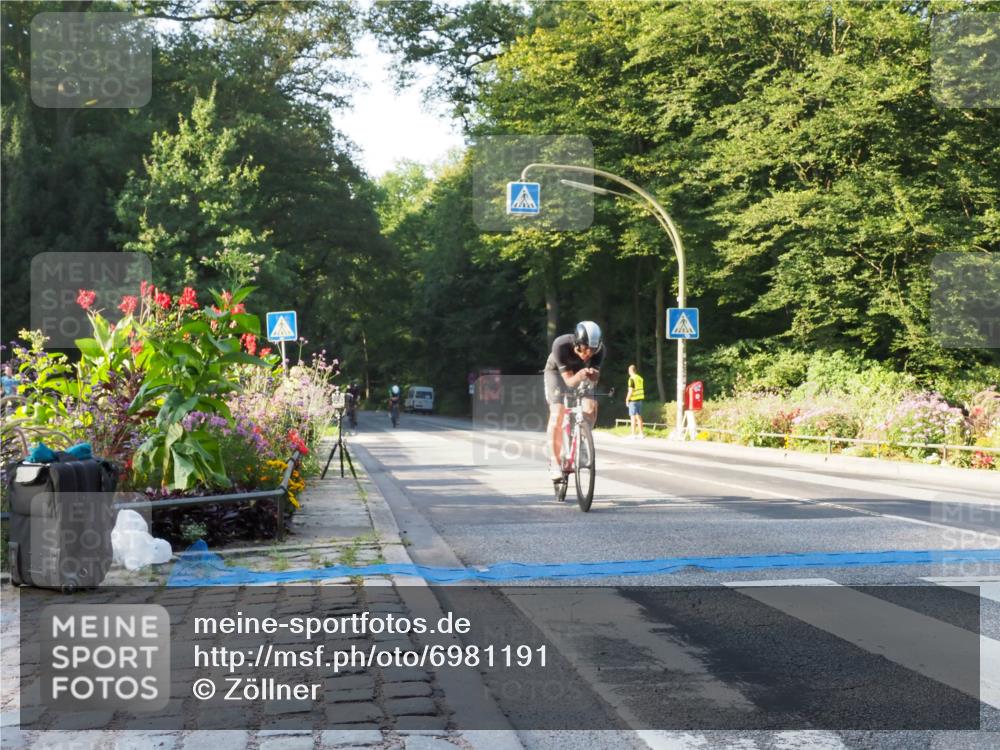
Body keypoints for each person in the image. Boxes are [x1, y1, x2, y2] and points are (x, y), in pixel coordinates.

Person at [544, 321, 604, 480]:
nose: (588, 354)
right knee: (557, 414)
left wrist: (594, 376)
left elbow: (594, 380)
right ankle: (555, 463)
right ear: (577, 344)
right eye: (585, 349)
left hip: (581, 374)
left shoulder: (600, 350)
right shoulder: (561, 345)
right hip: (557, 374)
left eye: (592, 350)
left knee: (591, 407)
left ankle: (584, 441)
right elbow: (569, 382)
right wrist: (581, 375)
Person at [626, 364, 645, 439]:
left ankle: (633, 434)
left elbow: (631, 391)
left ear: (630, 371)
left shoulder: (631, 379)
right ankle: (641, 434)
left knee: (633, 417)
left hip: (633, 400)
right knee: (639, 417)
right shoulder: (640, 378)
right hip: (640, 399)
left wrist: (627, 399)